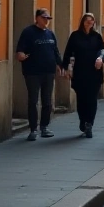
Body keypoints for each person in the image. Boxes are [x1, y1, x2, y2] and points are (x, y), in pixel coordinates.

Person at [17, 8, 62, 141]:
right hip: (32, 72)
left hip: (48, 72)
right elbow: (20, 50)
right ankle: (33, 129)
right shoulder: (28, 32)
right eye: (44, 18)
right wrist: (21, 55)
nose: (46, 21)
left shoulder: (50, 34)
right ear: (37, 18)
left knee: (47, 101)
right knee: (33, 101)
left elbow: (55, 51)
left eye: (48, 18)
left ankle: (44, 127)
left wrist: (60, 65)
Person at [62, 13, 104, 138]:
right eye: (87, 20)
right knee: (81, 99)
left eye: (92, 21)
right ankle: (83, 120)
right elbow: (68, 52)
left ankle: (89, 124)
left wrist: (101, 58)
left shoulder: (97, 37)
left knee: (92, 99)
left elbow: (103, 51)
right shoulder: (75, 36)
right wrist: (66, 68)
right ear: (82, 22)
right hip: (80, 72)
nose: (90, 22)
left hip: (94, 73)